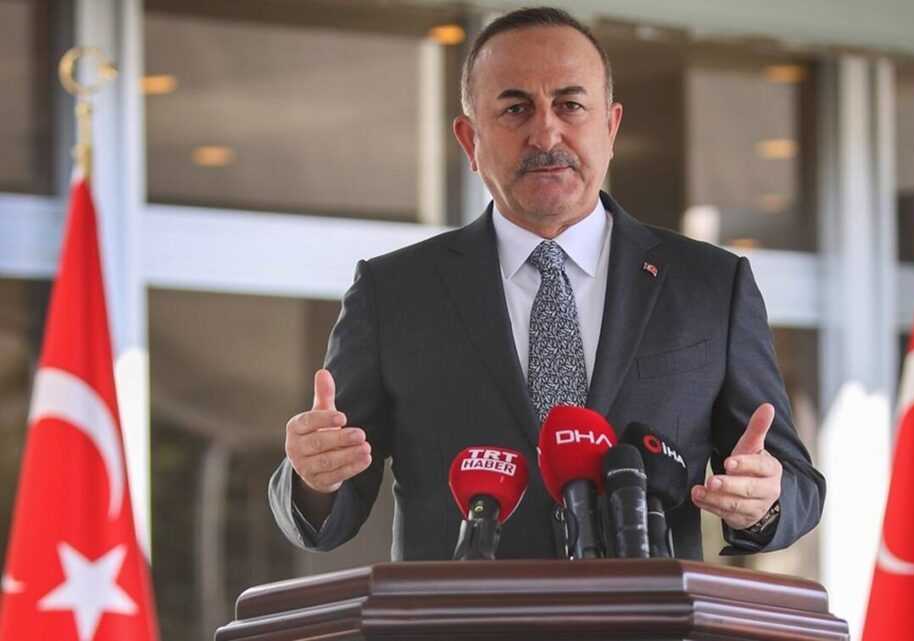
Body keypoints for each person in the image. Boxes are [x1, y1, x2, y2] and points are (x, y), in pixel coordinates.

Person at [269, 7, 824, 561]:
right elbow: (326, 510)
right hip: (460, 609)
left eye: (570, 105)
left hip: (647, 607)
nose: (545, 132)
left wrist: (765, 499)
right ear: (470, 140)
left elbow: (797, 485)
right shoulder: (393, 293)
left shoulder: (710, 286)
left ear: (610, 127)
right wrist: (313, 476)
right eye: (515, 109)